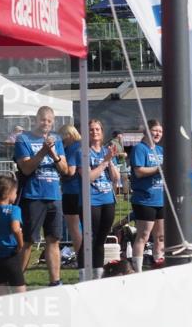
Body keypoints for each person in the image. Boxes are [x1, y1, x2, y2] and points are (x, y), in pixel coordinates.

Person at [15, 106, 68, 286]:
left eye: (49, 120)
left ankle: (55, 281)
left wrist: (53, 153)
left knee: (53, 239)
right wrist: (42, 152)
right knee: (28, 240)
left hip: (54, 195)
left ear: (53, 122)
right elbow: (26, 168)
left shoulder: (57, 140)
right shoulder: (23, 139)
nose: (45, 123)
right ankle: (16, 281)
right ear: (36, 119)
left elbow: (65, 170)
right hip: (33, 196)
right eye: (43, 119)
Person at [80, 119, 120, 278]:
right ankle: (83, 274)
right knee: (90, 238)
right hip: (92, 200)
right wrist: (104, 162)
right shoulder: (84, 152)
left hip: (107, 199)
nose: (94, 132)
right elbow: (88, 177)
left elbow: (116, 178)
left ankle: (98, 274)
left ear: (102, 133)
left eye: (97, 129)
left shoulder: (107, 151)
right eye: (91, 129)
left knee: (101, 239)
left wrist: (110, 161)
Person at [130, 119, 164, 273]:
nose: (158, 134)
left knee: (161, 236)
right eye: (155, 130)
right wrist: (158, 169)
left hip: (160, 198)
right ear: (147, 131)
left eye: (160, 131)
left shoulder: (160, 150)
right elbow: (139, 171)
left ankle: (159, 265)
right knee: (144, 235)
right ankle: (137, 270)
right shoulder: (139, 148)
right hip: (144, 199)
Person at [60, 124, 84, 262]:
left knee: (74, 228)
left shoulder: (71, 148)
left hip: (71, 191)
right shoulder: (83, 145)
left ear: (68, 135)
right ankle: (84, 256)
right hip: (83, 191)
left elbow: (70, 171)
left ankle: (81, 257)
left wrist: (59, 170)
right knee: (82, 227)